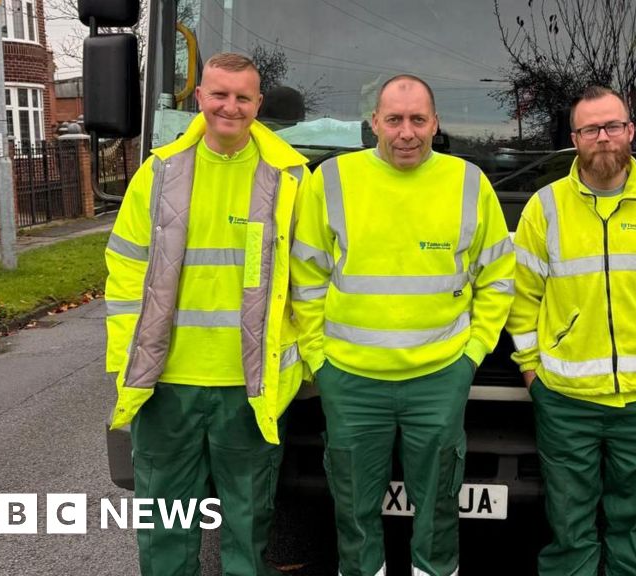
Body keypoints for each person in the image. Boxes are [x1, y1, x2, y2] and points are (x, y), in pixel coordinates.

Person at [290, 74, 515, 576]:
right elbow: (304, 278)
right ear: (374, 123)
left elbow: (499, 278)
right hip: (350, 379)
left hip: (438, 379)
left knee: (438, 507)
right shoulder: (330, 180)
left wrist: (471, 355)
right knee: (353, 508)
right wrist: (319, 360)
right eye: (394, 120)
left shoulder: (468, 183)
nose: (406, 132)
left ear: (435, 123)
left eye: (417, 120)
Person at [104, 52, 309, 576]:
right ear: (199, 97)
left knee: (248, 525)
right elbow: (126, 269)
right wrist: (126, 363)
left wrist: (306, 359)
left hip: (250, 388)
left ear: (259, 105)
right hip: (165, 387)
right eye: (219, 94)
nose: (230, 107)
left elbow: (308, 278)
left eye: (243, 97)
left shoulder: (291, 179)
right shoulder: (159, 173)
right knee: (166, 528)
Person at [507, 86, 636, 576]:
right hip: (565, 401)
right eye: (591, 129)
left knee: (635, 530)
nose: (603, 138)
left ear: (631, 132)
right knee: (568, 530)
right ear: (575, 138)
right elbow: (522, 300)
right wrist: (535, 377)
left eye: (612, 126)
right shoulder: (544, 208)